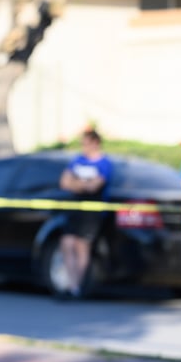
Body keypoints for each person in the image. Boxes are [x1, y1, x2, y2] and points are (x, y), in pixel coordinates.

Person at [58, 128, 113, 298]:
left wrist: (78, 182)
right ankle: (69, 283)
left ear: (96, 143)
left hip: (92, 211)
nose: (83, 147)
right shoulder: (78, 160)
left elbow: (94, 187)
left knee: (82, 246)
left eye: (86, 143)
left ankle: (77, 287)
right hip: (75, 208)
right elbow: (64, 183)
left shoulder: (104, 163)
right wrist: (83, 183)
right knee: (67, 243)